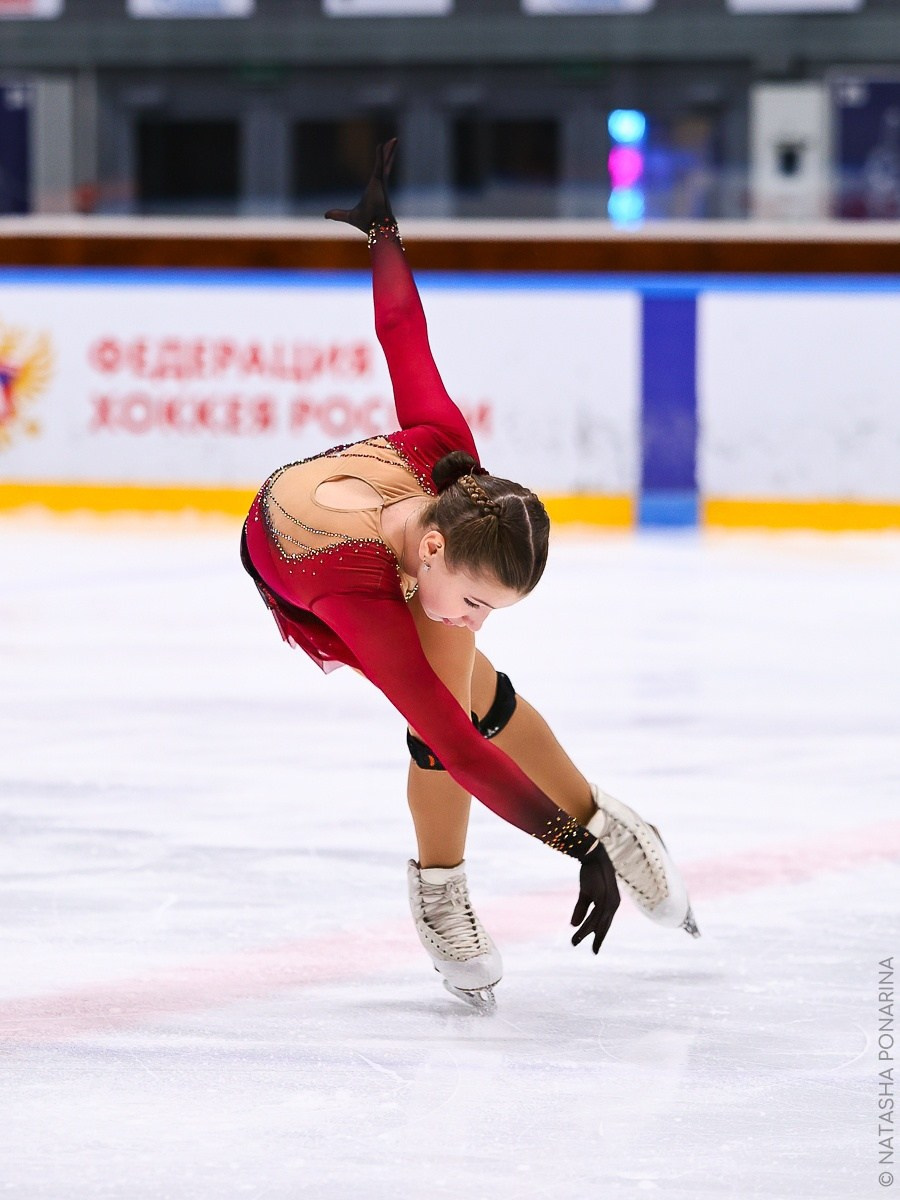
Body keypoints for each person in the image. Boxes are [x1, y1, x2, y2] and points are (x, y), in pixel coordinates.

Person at [241, 141, 698, 1010]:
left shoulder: (448, 462)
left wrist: (382, 235)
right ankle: (446, 889)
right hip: (302, 560)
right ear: (435, 555)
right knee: (444, 717)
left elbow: (402, 333)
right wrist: (574, 846)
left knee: (468, 687)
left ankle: (608, 820)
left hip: (395, 533)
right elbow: (455, 746)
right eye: (481, 601)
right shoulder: (355, 587)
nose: (480, 619)